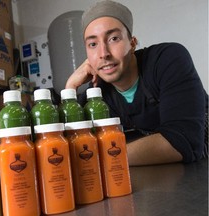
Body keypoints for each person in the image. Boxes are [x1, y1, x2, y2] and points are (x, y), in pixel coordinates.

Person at [65, 0, 208, 166]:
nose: (103, 53)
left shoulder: (167, 60)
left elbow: (185, 141)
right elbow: (68, 144)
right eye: (93, 44)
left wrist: (101, 158)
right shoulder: (98, 91)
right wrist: (71, 87)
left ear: (132, 43)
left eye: (113, 38)